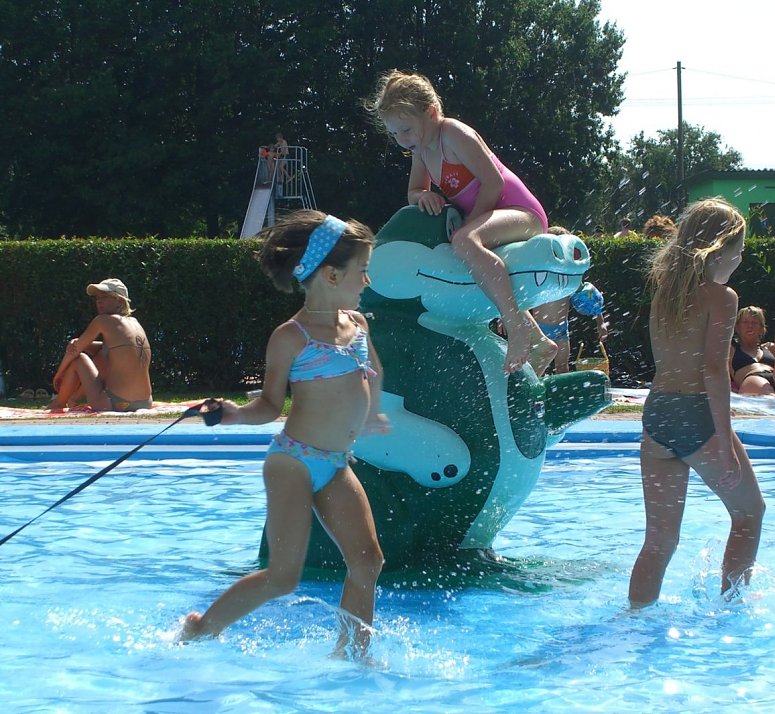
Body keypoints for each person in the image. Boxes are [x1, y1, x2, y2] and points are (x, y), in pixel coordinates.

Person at [180, 210, 388, 655]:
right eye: (363, 270)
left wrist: (372, 413)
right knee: (283, 576)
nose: (367, 280)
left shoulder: (358, 324)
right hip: (293, 460)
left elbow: (373, 370)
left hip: (335, 463)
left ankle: (352, 654)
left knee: (368, 561)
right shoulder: (291, 337)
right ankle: (201, 627)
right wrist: (232, 414)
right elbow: (271, 406)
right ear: (331, 274)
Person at [365, 69, 556, 375]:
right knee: (460, 255)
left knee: (464, 242)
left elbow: (493, 183)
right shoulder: (421, 150)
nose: (402, 140)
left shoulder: (453, 134)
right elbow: (414, 190)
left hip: (522, 212)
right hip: (490, 216)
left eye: (406, 129)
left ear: (431, 113)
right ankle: (538, 341)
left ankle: (515, 325)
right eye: (395, 133)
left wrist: (469, 225)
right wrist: (423, 196)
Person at [629, 197, 765, 607]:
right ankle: (731, 611)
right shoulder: (722, 297)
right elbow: (713, 371)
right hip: (695, 414)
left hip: (658, 414)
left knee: (659, 541)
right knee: (749, 513)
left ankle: (633, 620)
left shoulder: (665, 295)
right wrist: (724, 444)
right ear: (718, 250)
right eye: (738, 250)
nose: (740, 259)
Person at [50, 279, 153, 412]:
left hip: (115, 403)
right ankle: (73, 399)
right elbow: (118, 348)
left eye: (104, 297)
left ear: (119, 301)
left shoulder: (102, 320)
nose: (99, 302)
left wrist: (59, 374)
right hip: (145, 402)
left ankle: (59, 403)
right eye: (97, 298)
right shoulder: (135, 323)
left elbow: (74, 351)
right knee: (101, 355)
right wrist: (86, 344)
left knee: (79, 359)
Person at [531, 226, 608, 375]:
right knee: (536, 370)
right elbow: (520, 297)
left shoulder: (570, 279)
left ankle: (558, 390)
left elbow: (591, 299)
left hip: (561, 330)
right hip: (539, 330)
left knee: (562, 368)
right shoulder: (540, 276)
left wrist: (601, 322)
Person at [730, 305, 775, 397]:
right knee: (758, 384)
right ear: (737, 328)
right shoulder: (730, 350)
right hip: (753, 377)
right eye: (745, 322)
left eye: (754, 323)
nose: (750, 326)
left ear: (761, 329)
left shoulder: (770, 347)